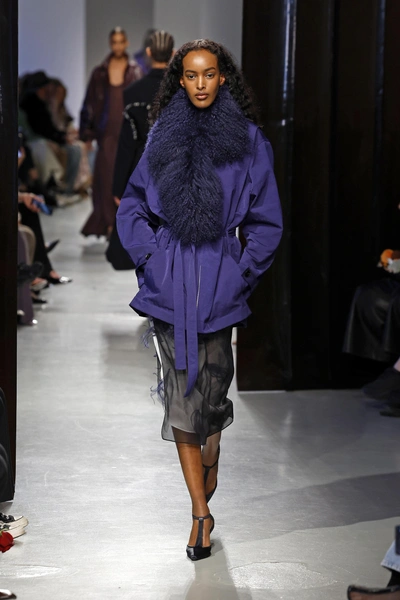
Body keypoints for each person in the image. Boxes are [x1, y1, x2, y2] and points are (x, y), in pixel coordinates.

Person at [117, 39, 283, 561]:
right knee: (181, 397)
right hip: (170, 283)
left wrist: (240, 273)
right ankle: (199, 514)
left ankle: (212, 449)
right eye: (191, 75)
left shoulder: (248, 141)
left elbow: (266, 221)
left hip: (219, 282)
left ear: (222, 77)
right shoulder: (162, 135)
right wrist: (151, 258)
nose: (201, 83)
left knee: (211, 397)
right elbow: (132, 205)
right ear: (180, 80)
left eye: (209, 73)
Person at [108, 30, 174, 271]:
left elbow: (128, 142)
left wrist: (118, 186)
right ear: (173, 53)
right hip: (174, 165)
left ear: (148, 52)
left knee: (140, 219)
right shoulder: (180, 90)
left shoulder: (133, 92)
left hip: (140, 165)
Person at [79, 27, 143, 238]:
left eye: (120, 41)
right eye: (114, 42)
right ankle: (109, 223)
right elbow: (89, 102)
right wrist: (87, 134)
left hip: (127, 129)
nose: (117, 46)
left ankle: (122, 223)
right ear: (110, 44)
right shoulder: (100, 72)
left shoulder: (135, 71)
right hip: (106, 131)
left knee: (125, 176)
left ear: (126, 43)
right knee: (106, 178)